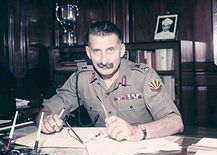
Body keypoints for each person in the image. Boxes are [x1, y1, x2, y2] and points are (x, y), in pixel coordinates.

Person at [37, 21, 184, 141]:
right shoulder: (80, 79)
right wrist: (45, 122)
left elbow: (175, 122)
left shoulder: (143, 76)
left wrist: (137, 132)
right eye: (97, 51)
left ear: (121, 50)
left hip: (143, 153)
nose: (104, 61)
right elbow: (46, 110)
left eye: (110, 50)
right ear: (89, 52)